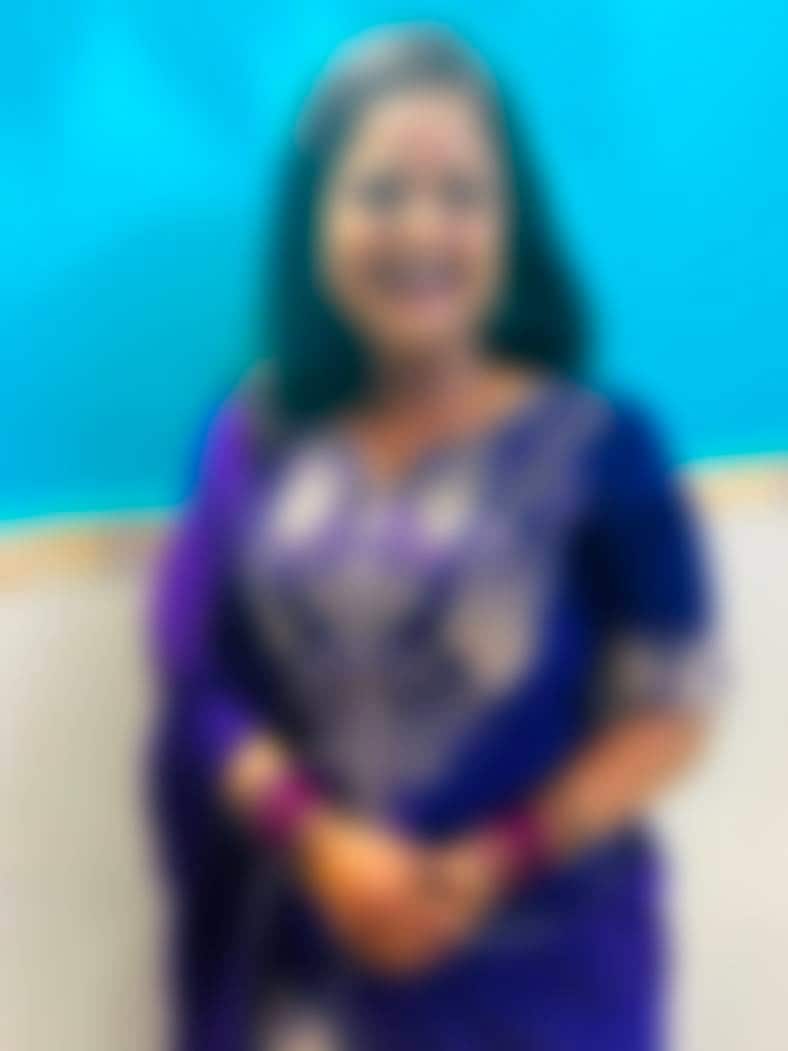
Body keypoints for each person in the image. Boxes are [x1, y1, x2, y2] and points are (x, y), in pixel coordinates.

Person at [149, 25, 718, 1051]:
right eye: (380, 192)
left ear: (510, 223)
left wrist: (491, 861)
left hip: (552, 974)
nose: (422, 229)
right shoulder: (252, 439)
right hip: (324, 964)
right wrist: (316, 839)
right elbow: (202, 680)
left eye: (461, 194)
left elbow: (671, 702)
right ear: (315, 217)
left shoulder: (601, 446)